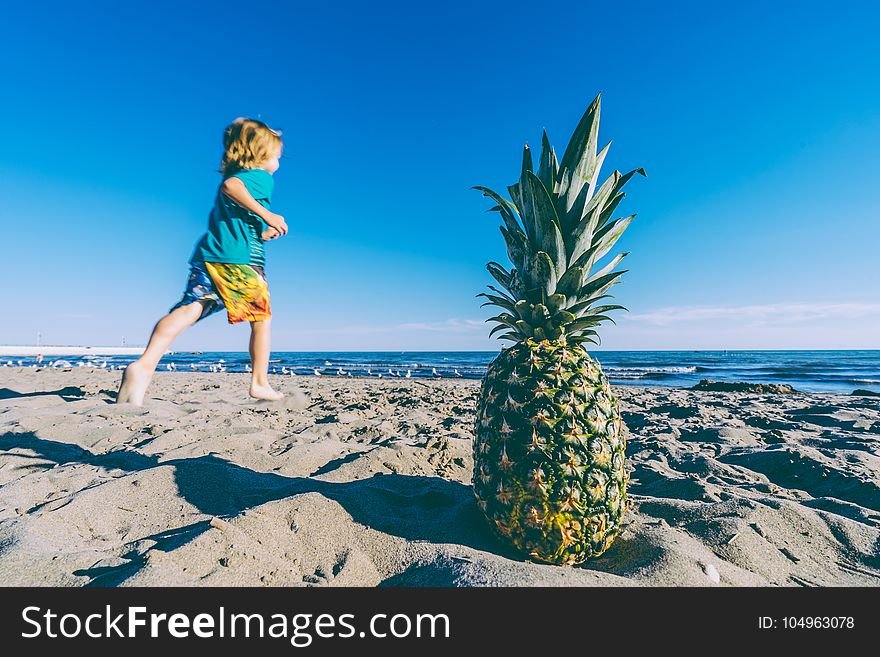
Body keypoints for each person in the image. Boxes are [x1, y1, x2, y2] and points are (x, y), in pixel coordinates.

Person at [116, 118, 288, 406]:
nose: (278, 162)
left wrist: (264, 231)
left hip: (212, 254)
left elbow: (240, 218)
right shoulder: (259, 177)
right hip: (240, 261)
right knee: (261, 320)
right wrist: (270, 216)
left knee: (191, 308)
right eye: (277, 156)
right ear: (261, 154)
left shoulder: (240, 176)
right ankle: (259, 383)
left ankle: (144, 364)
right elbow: (232, 188)